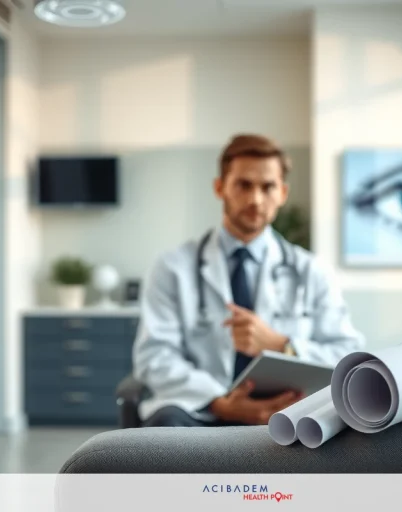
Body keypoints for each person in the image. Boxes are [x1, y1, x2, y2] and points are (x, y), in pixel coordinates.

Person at [132, 133, 365, 427]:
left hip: (284, 409)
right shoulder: (172, 267)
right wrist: (220, 402)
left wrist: (282, 345)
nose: (255, 199)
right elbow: (155, 356)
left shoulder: (311, 270)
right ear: (220, 188)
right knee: (165, 428)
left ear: (282, 193)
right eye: (243, 185)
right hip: (199, 409)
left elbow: (347, 353)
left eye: (267, 187)